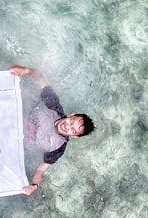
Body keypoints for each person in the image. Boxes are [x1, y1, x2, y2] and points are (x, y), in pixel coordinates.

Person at [10, 65, 94, 195]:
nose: (68, 126)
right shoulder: (53, 106)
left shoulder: (58, 148)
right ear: (71, 115)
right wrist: (25, 71)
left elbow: (40, 170)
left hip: (14, 144)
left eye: (73, 130)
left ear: (75, 136)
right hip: (15, 116)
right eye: (71, 121)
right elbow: (40, 77)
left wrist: (34, 186)